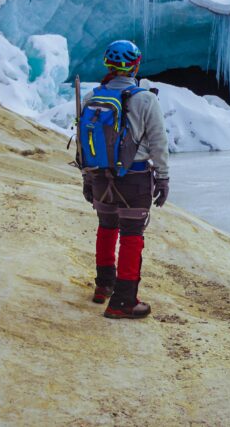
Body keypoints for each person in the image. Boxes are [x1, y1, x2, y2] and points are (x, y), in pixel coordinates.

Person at [80, 39, 169, 319]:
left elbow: (85, 142)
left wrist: (86, 178)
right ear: (135, 65)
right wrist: (163, 178)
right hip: (135, 176)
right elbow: (158, 142)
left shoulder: (92, 97)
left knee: (106, 227)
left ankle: (103, 285)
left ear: (108, 64)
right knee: (132, 235)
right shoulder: (145, 98)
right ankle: (124, 301)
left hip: (99, 177)